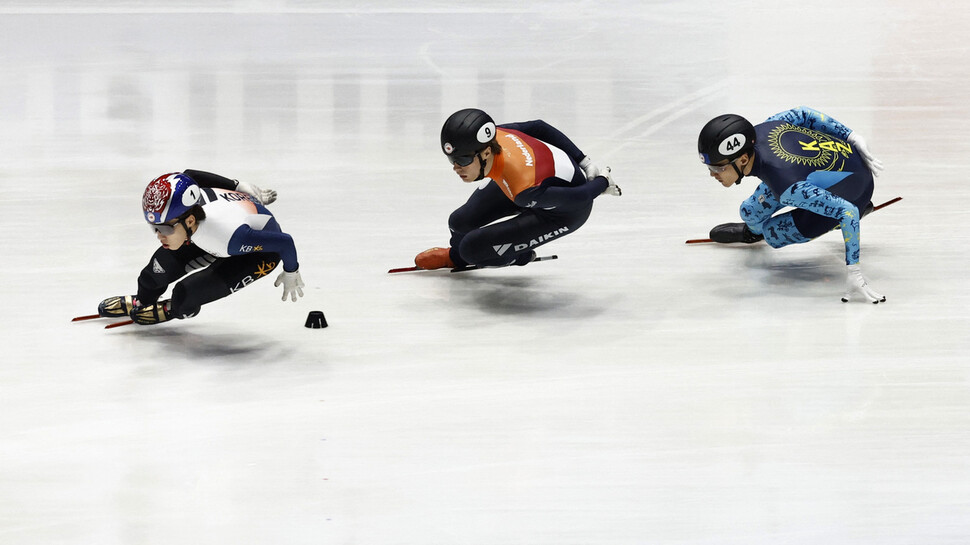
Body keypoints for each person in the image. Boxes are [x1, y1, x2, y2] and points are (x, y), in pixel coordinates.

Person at [697, 106, 886, 303]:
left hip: (854, 194)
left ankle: (845, 217)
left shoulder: (787, 186)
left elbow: (848, 211)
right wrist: (851, 136)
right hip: (824, 168)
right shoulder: (767, 127)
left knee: (773, 234)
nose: (712, 174)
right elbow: (804, 114)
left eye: (717, 168)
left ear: (743, 159)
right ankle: (752, 232)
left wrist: (854, 271)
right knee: (749, 212)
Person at [414, 108, 621, 270]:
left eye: (463, 160)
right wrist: (583, 161)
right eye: (451, 159)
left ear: (486, 153)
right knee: (459, 222)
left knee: (472, 249)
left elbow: (581, 197)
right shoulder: (498, 134)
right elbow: (539, 127)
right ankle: (456, 258)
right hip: (534, 184)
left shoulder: (522, 189)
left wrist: (601, 182)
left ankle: (520, 255)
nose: (456, 167)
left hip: (566, 212)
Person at [97, 170, 304, 325]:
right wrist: (238, 185)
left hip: (258, 253)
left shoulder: (229, 237)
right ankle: (143, 301)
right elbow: (190, 174)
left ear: (189, 220)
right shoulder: (189, 207)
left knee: (187, 295)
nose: (159, 235)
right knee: (154, 273)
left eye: (164, 228)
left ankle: (173, 308)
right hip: (214, 231)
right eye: (154, 228)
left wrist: (291, 271)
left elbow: (284, 242)